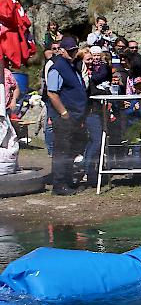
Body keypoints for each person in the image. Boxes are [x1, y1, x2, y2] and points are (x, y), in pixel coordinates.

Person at [46, 36, 88, 195]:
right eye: (69, 50)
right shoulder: (57, 67)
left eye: (74, 50)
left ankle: (67, 180)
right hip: (64, 117)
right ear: (62, 50)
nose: (72, 53)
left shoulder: (72, 66)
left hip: (75, 116)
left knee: (71, 150)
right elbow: (52, 93)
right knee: (62, 151)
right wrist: (64, 113)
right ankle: (59, 185)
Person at [84, 45, 112, 187]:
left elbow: (98, 78)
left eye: (96, 56)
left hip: (98, 109)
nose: (93, 60)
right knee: (96, 141)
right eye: (90, 57)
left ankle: (89, 170)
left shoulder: (103, 67)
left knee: (96, 141)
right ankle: (88, 170)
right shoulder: (83, 70)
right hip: (90, 110)